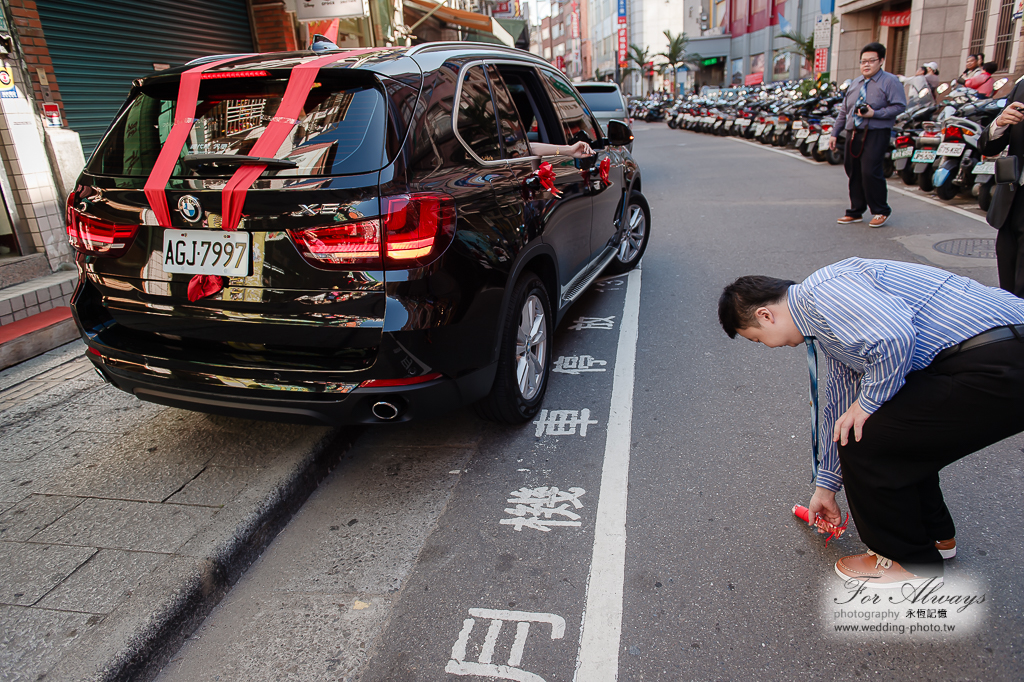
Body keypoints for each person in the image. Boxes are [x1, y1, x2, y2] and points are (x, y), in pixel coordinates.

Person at [718, 257, 1024, 587]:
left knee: (868, 439)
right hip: (990, 357)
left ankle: (907, 562)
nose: (765, 347)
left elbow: (894, 338)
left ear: (765, 315)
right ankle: (936, 537)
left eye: (756, 339)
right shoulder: (829, 332)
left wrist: (868, 403)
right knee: (887, 433)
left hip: (998, 355)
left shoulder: (824, 290)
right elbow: (839, 409)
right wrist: (827, 485)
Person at [830, 43, 907, 228]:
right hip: (853, 132)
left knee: (870, 171)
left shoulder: (889, 81)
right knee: (853, 170)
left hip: (876, 132)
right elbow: (844, 111)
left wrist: (875, 114)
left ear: (881, 61)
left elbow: (899, 106)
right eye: (863, 61)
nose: (866, 65)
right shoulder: (855, 83)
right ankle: (855, 211)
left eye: (871, 61)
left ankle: (880, 210)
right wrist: (835, 133)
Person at [979, 80, 1024, 296]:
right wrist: (1001, 122)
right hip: (1013, 201)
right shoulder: (1022, 85)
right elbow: (988, 145)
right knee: (1008, 292)